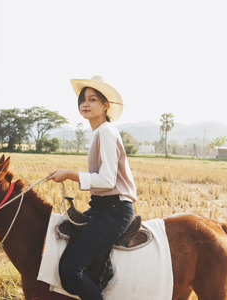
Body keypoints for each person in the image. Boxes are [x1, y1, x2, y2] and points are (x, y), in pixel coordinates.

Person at [47, 75, 137, 300]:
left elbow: (107, 180)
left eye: (93, 99)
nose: (85, 104)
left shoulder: (106, 131)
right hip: (101, 208)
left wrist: (69, 174)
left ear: (106, 105)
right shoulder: (99, 132)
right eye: (82, 100)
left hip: (114, 210)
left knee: (70, 270)